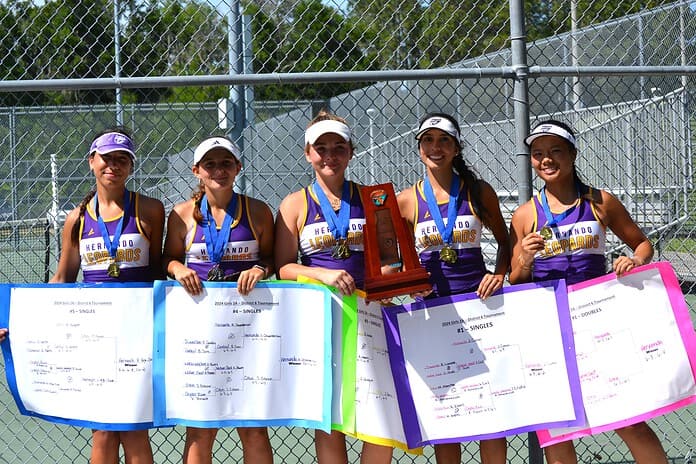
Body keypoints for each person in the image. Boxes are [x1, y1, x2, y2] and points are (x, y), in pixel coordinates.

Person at [509, 119, 668, 464]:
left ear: (573, 154)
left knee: (629, 422)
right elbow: (515, 280)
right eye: (538, 154)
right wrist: (524, 256)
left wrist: (633, 260)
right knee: (559, 429)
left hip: (598, 327)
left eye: (555, 151)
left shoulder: (600, 202)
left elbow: (642, 244)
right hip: (548, 330)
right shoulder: (523, 216)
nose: (546, 159)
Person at [274, 110, 393, 464]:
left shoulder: (373, 198)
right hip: (321, 319)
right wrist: (322, 275)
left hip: (369, 313)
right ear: (307, 153)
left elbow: (391, 260)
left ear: (351, 152)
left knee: (379, 410)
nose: (330, 156)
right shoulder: (295, 204)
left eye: (338, 148)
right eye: (321, 148)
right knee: (329, 415)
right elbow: (283, 268)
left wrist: (384, 281)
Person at [395, 112, 510, 464]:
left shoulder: (478, 191)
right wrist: (408, 281)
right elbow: (397, 260)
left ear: (457, 147)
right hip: (434, 314)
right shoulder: (406, 200)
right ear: (418, 149)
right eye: (428, 140)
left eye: (444, 140)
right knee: (449, 411)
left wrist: (500, 273)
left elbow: (506, 243)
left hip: (480, 307)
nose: (436, 147)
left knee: (491, 411)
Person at [50, 128, 165, 464]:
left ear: (130, 166)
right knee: (101, 430)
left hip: (137, 334)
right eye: (106, 158)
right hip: (94, 335)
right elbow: (63, 278)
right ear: (91, 162)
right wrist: (25, 322)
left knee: (133, 427)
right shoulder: (76, 219)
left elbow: (157, 270)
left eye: (122, 159)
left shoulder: (150, 210)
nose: (113, 165)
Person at [162, 136, 275, 464]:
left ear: (238, 167)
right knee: (200, 427)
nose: (219, 170)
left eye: (226, 163)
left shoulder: (256, 211)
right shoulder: (182, 214)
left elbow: (272, 259)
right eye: (209, 164)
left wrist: (259, 268)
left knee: (253, 425)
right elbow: (166, 260)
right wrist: (178, 268)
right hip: (200, 331)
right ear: (196, 170)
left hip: (247, 329)